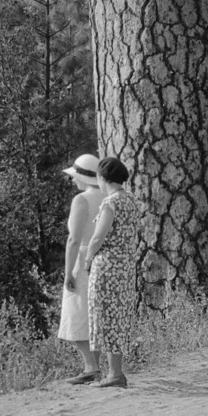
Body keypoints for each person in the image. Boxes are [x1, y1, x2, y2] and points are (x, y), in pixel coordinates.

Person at [79, 156, 141, 389]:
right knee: (119, 315)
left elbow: (98, 236)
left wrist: (88, 258)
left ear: (102, 178)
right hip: (125, 264)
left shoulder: (110, 203)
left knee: (105, 316)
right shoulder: (132, 200)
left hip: (107, 265)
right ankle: (116, 371)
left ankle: (114, 374)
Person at [57, 154, 103, 382]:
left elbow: (73, 239)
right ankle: (94, 366)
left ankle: (90, 366)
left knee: (76, 313)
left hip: (83, 258)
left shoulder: (81, 200)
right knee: (94, 314)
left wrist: (68, 272)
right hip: (104, 258)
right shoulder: (108, 196)